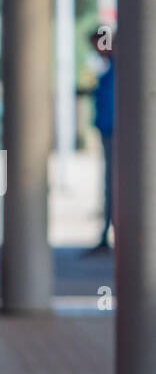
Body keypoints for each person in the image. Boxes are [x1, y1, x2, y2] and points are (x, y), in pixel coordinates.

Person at [86, 28, 115, 255]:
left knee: (114, 185)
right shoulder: (110, 69)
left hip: (117, 133)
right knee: (110, 185)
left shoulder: (120, 69)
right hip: (109, 132)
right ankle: (107, 232)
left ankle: (110, 233)